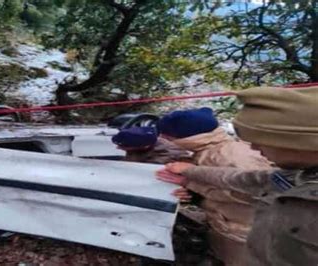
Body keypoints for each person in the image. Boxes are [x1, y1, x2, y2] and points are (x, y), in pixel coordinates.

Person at [157, 86, 318, 265]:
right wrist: (189, 176)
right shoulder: (298, 173)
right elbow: (243, 179)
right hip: (242, 235)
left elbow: (247, 195)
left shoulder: (232, 156)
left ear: (299, 142)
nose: (254, 148)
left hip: (241, 234)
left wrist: (193, 184)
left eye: (260, 141)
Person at [155, 107, 273, 266]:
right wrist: (195, 196)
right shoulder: (211, 151)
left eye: (166, 136)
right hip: (229, 224)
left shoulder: (231, 157)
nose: (163, 139)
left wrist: (190, 183)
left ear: (188, 137)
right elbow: (221, 187)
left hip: (246, 232)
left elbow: (255, 193)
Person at [111, 126, 192, 165]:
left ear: (144, 146)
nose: (118, 148)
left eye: (124, 146)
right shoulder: (141, 142)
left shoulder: (167, 156)